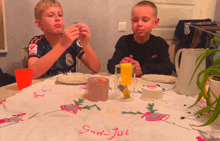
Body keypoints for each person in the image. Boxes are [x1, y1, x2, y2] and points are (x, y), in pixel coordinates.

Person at [28, 0, 101, 79]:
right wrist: (62, 45)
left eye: (60, 15)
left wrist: (85, 44)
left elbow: (96, 68)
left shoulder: (72, 41)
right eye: (51, 15)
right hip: (45, 88)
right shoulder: (36, 42)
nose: (57, 18)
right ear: (39, 24)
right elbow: (33, 73)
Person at [107, 0, 175, 76]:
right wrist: (120, 65)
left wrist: (143, 70)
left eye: (145, 20)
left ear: (155, 23)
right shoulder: (124, 41)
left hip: (151, 86)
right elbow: (110, 66)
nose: (139, 24)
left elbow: (168, 68)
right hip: (128, 84)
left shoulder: (159, 43)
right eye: (135, 20)